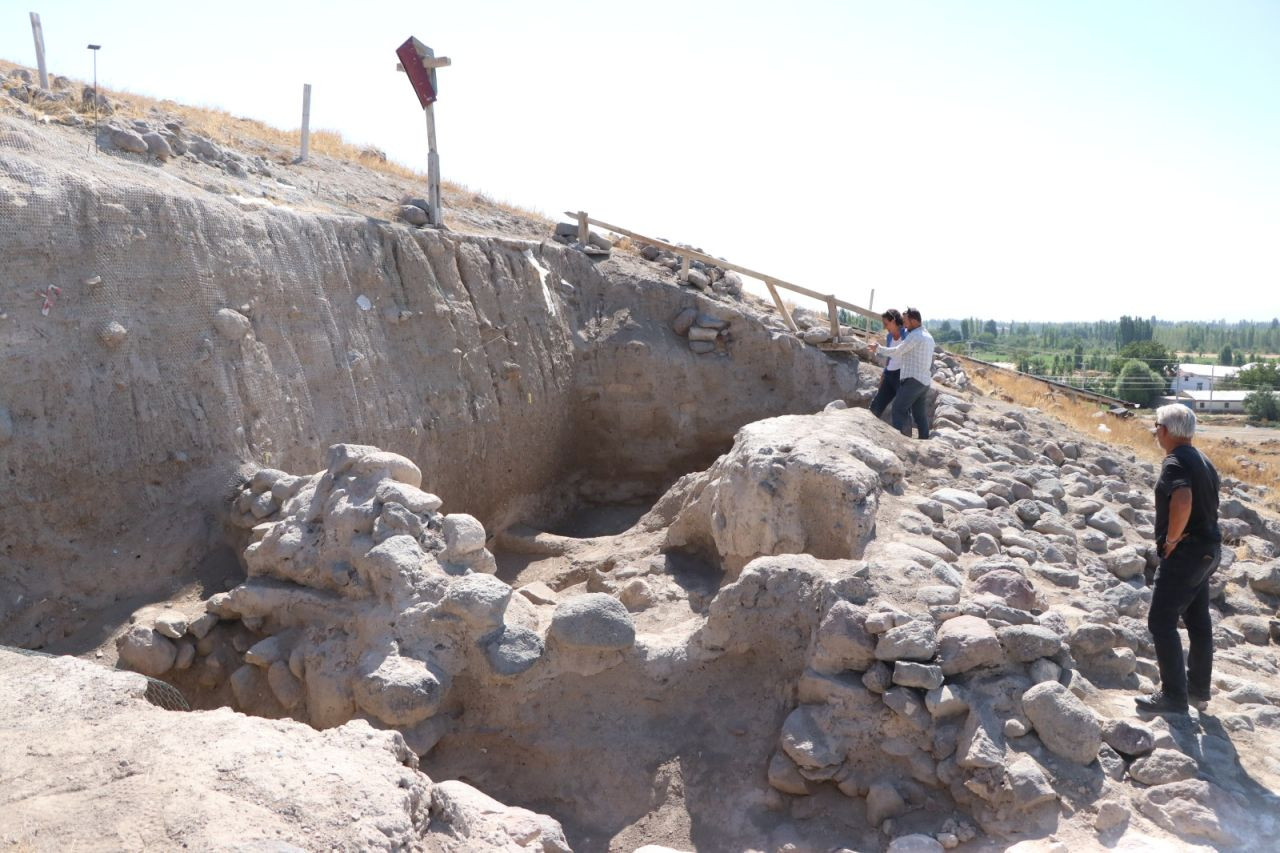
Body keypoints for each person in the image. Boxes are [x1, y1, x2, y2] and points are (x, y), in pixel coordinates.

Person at [1136, 404, 1222, 715]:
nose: (1155, 431)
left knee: (1161, 621)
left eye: (1156, 425)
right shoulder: (1203, 460)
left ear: (1165, 430)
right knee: (1198, 621)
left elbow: (1183, 499)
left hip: (1186, 552)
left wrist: (1171, 540)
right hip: (1209, 550)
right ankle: (1197, 689)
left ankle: (1173, 697)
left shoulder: (1174, 461)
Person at [870, 307, 935, 439]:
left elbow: (898, 351)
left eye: (906, 321)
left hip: (911, 380)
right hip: (921, 381)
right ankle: (924, 440)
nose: (904, 324)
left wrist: (879, 348)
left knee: (898, 408)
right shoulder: (928, 336)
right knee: (919, 414)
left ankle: (899, 441)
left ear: (913, 320)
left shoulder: (913, 335)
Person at [869, 309, 907, 420]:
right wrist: (884, 373)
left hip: (902, 375)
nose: (885, 327)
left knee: (901, 408)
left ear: (894, 321)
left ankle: (905, 435)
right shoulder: (889, 336)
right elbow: (890, 357)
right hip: (889, 374)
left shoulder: (907, 334)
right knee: (876, 404)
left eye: (886, 324)